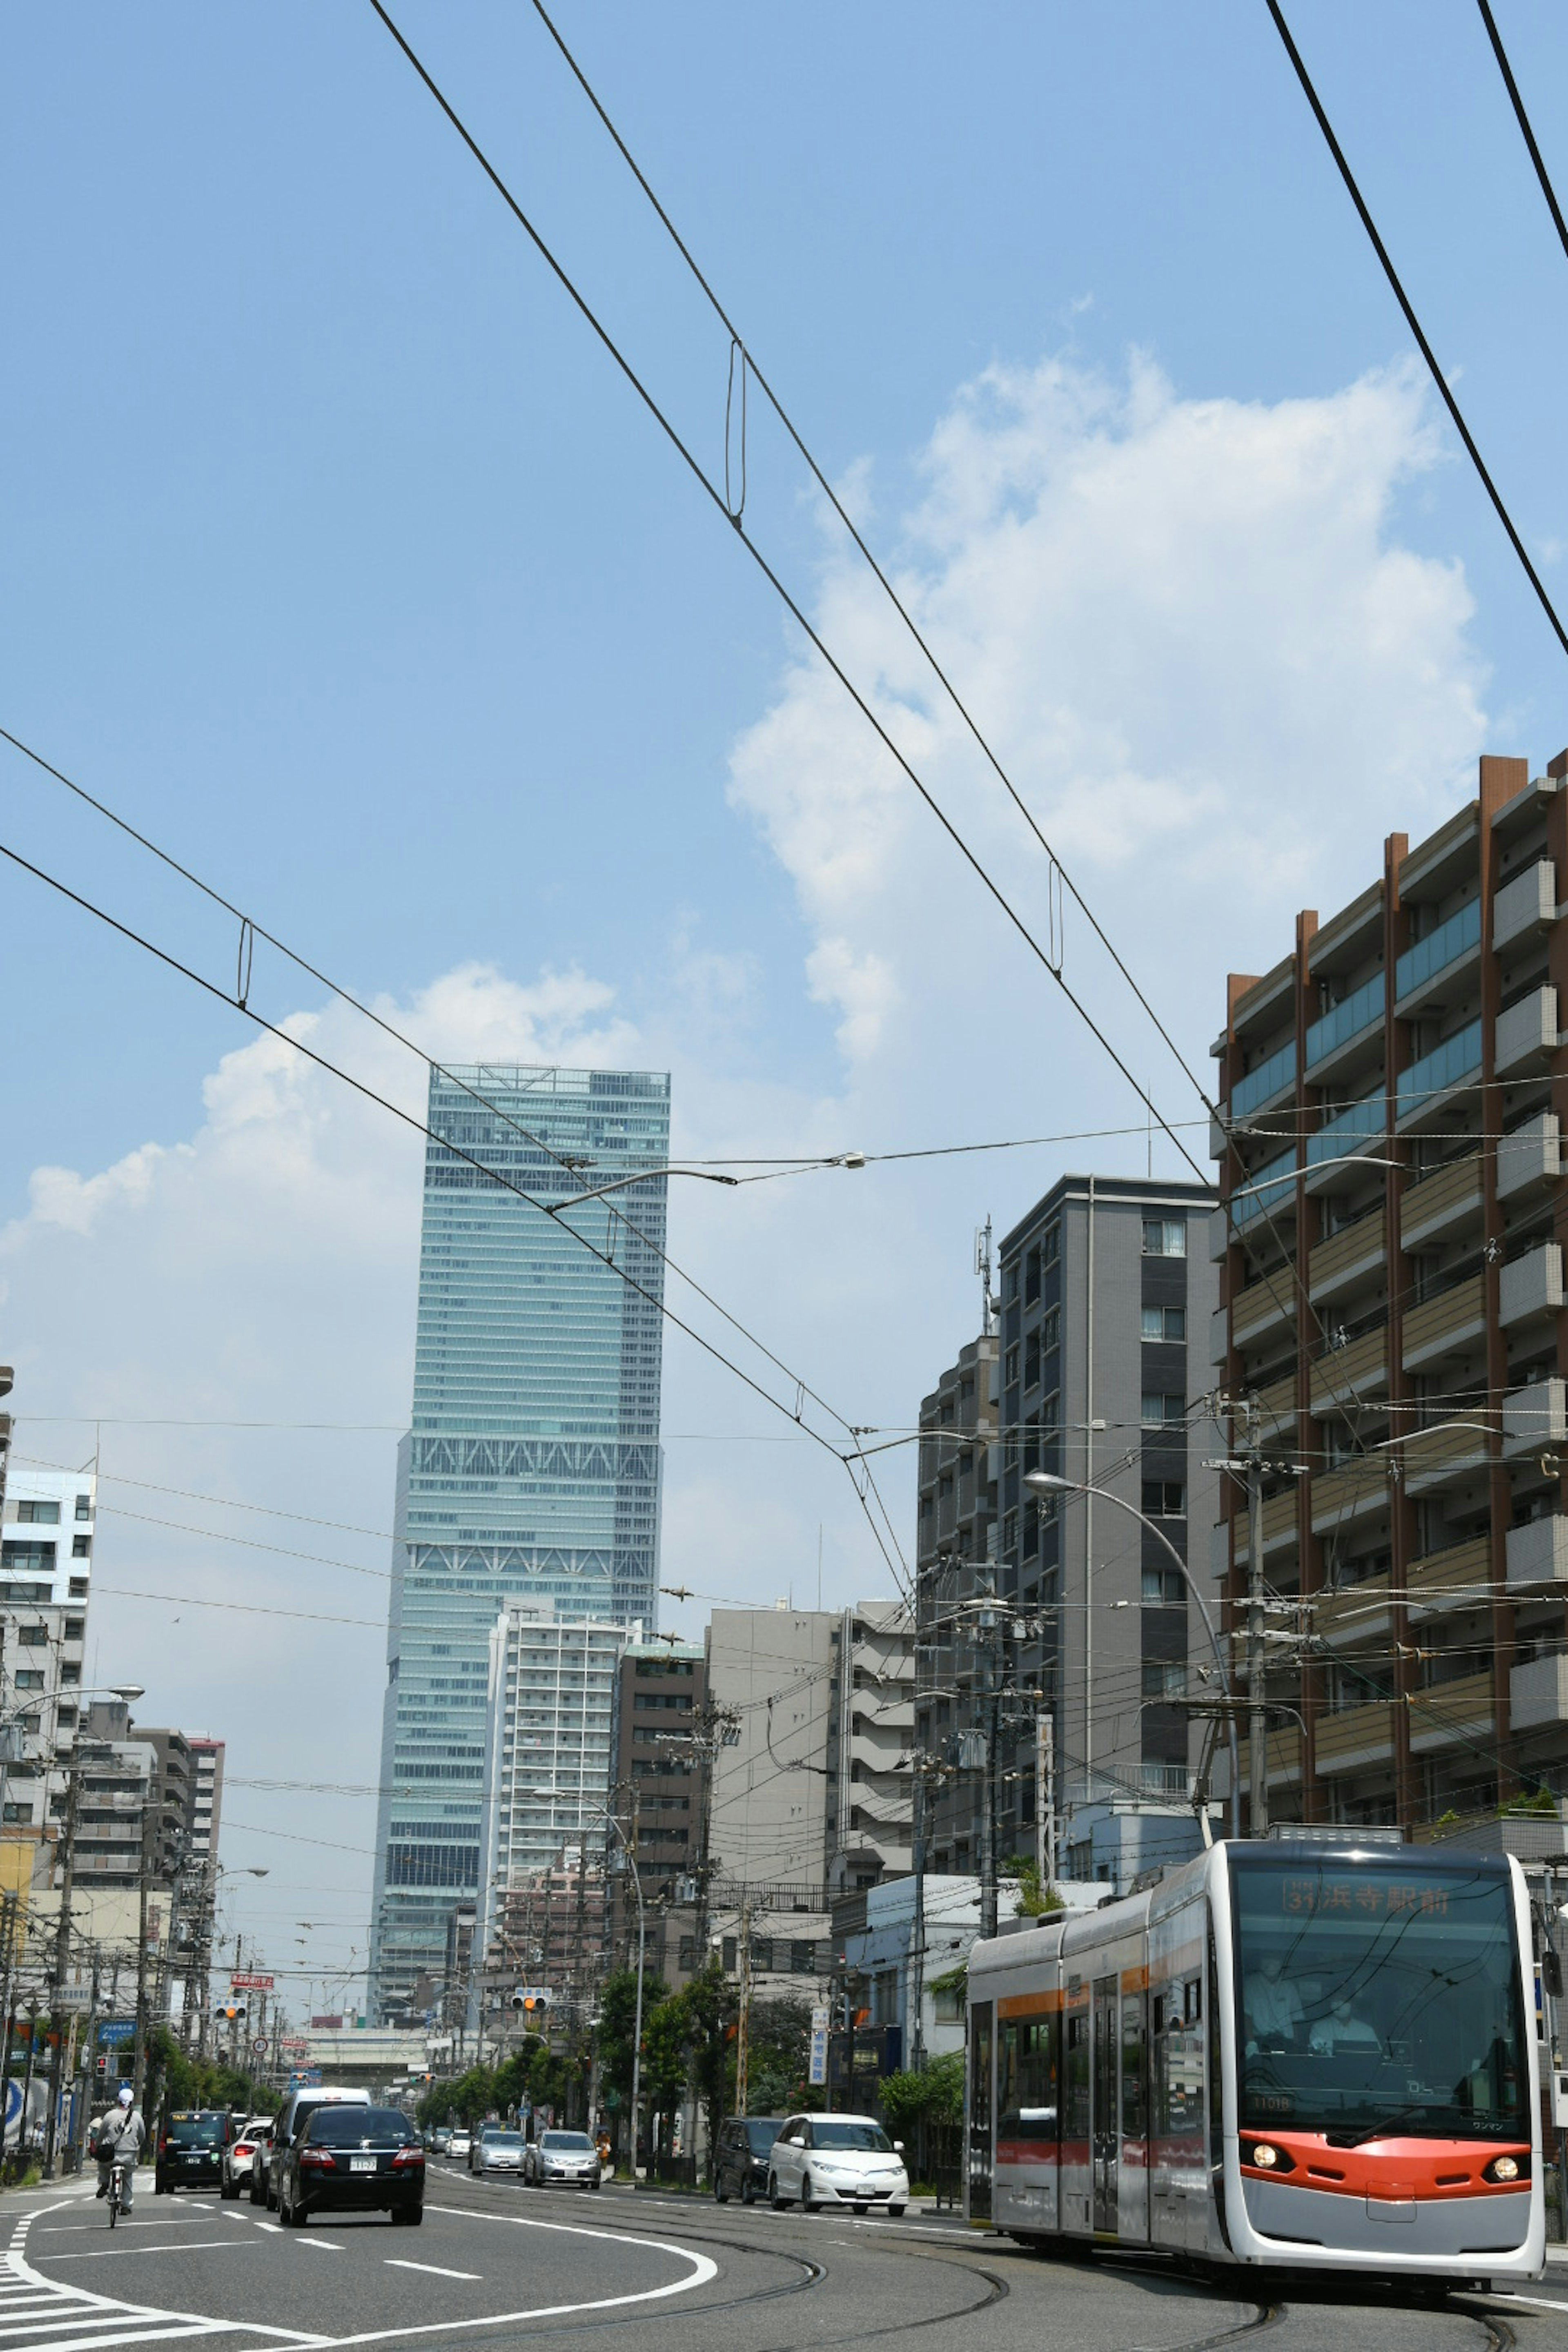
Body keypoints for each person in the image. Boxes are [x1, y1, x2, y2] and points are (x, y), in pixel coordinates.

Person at [98, 2086, 146, 2214]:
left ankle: (104, 2183)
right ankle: (126, 2205)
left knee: (103, 2165)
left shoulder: (110, 2115)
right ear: (132, 2102)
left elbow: (101, 2133)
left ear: (118, 2101)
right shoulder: (137, 2117)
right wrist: (138, 2145)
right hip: (129, 2155)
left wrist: (99, 2146)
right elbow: (142, 2135)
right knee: (128, 2176)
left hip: (111, 2155)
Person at [1244, 1951, 1304, 2051]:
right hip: (1260, 2041)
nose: (1271, 1963)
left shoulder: (1289, 1987)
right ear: (1260, 1962)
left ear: (1281, 1963)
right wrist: (1251, 2042)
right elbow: (1247, 2015)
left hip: (1286, 2041)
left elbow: (1296, 2018)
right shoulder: (1250, 1985)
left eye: (1275, 1959)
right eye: (1267, 1958)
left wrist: (1296, 2044)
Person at [1309, 1992, 1381, 2057]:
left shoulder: (1367, 2031)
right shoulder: (1319, 2028)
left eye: (1343, 2000)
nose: (1339, 2004)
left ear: (1353, 2004)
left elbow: (1376, 2056)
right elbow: (1318, 2055)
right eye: (1335, 2000)